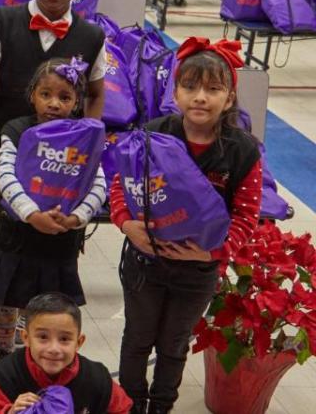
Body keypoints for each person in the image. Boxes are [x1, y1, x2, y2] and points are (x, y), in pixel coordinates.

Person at [111, 38, 262, 414]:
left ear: (229, 98)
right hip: (146, 265)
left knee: (174, 346)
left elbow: (246, 217)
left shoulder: (242, 150)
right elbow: (120, 184)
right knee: (136, 341)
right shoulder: (153, 132)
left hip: (198, 271)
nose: (200, 97)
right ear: (175, 92)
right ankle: (130, 406)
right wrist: (126, 224)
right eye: (190, 86)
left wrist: (213, 252)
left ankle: (161, 407)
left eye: (213, 89)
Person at [0, 0, 106, 322]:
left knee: (48, 239)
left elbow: (95, 92)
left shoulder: (92, 37)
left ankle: (40, 317)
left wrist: (89, 142)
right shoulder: (5, 21)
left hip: (60, 160)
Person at [0, 58, 109, 356]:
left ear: (77, 102)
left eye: (64, 97)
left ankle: (34, 357)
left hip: (59, 241)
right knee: (7, 303)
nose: (54, 103)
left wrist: (77, 217)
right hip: (17, 237)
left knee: (45, 309)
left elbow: (98, 183)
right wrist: (32, 214)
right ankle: (3, 353)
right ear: (32, 95)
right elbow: (6, 176)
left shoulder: (86, 136)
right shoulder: (15, 130)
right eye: (46, 95)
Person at [0, 292, 133, 413]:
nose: (53, 349)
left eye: (64, 339)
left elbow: (122, 409)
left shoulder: (96, 378)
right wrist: (11, 411)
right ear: (26, 338)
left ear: (79, 342)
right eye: (43, 337)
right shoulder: (5, 375)